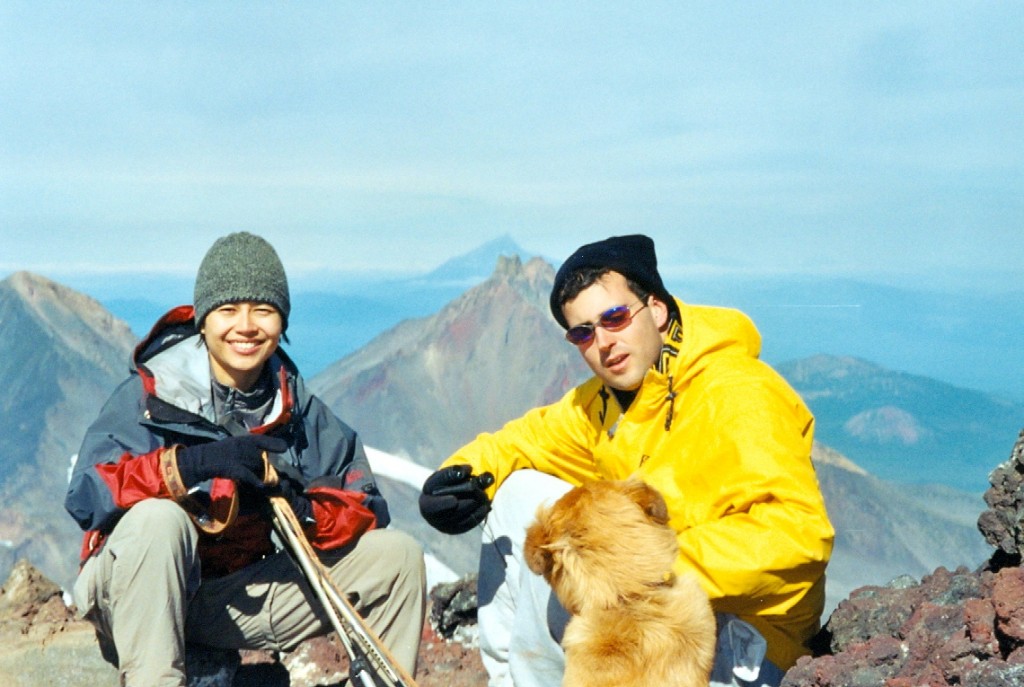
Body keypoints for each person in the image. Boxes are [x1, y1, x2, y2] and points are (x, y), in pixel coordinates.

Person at [419, 234, 834, 687]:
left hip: (741, 640)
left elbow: (799, 534)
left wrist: (641, 568)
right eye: (583, 332)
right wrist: (462, 478)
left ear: (656, 309)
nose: (604, 343)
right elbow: (524, 442)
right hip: (643, 613)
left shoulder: (738, 394)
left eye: (614, 317)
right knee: (517, 495)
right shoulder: (606, 405)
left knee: (572, 575)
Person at [65, 231, 425, 686]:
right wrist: (190, 468)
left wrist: (302, 509)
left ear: (283, 321)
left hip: (226, 599)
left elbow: (366, 504)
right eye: (228, 309)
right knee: (159, 521)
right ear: (203, 319)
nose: (247, 326)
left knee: (398, 557)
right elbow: (85, 496)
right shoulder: (149, 396)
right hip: (133, 592)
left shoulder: (296, 409)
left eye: (264, 309)